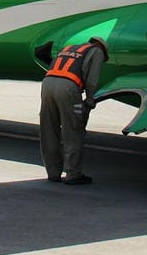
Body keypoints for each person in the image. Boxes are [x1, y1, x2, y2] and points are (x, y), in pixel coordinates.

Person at [39, 36, 109, 185]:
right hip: (68, 88)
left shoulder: (69, 48)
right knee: (73, 130)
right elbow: (92, 79)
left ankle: (53, 173)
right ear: (102, 47)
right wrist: (90, 99)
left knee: (49, 130)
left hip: (47, 84)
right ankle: (73, 174)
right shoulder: (97, 51)